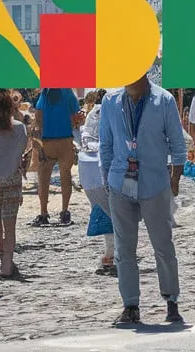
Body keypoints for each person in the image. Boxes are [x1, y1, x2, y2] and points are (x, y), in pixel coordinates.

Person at [99, 74, 186, 326]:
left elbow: (177, 143)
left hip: (155, 182)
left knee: (163, 245)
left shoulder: (164, 100)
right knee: (124, 249)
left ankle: (171, 300)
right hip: (120, 183)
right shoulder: (110, 101)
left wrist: (175, 178)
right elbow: (106, 143)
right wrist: (107, 178)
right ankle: (131, 305)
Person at [0, 90, 27, 279]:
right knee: (10, 225)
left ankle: (3, 259)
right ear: (11, 108)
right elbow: (19, 154)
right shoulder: (19, 128)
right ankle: (7, 264)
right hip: (12, 178)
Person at [27, 88, 81, 227]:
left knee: (43, 178)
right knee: (66, 176)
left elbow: (38, 118)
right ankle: (64, 211)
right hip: (65, 139)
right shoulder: (68, 92)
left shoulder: (45, 93)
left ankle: (44, 212)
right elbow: (76, 115)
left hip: (48, 140)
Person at [78, 99, 116, 276]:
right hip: (110, 169)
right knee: (118, 215)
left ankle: (110, 254)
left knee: (106, 212)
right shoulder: (118, 112)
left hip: (89, 172)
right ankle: (114, 255)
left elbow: (84, 138)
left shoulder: (93, 116)